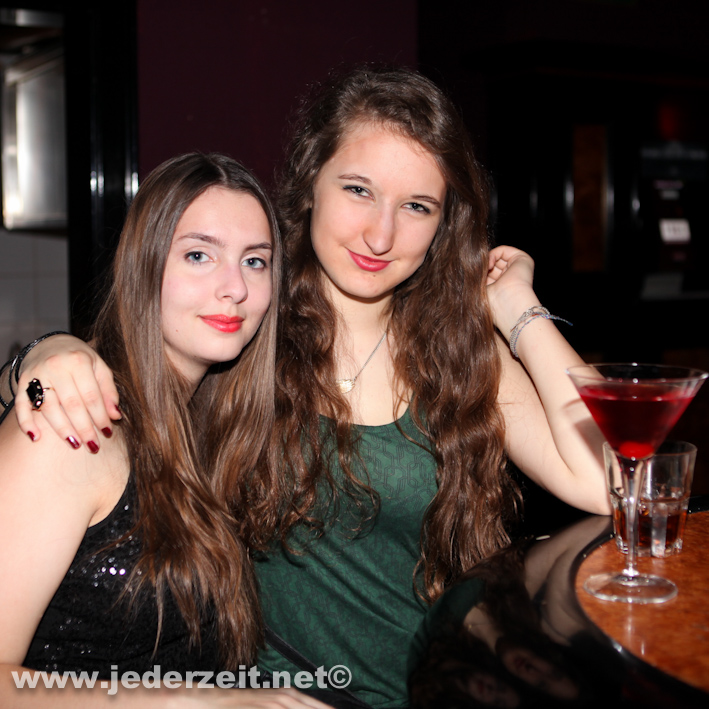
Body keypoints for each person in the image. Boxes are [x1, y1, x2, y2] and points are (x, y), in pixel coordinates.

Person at [8, 67, 610, 708]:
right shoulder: (246, 326)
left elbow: (613, 478)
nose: (381, 235)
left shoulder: (457, 354)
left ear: (444, 223)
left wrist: (518, 309)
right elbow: (121, 375)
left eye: (416, 207)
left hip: (437, 688)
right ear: (310, 183)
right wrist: (41, 357)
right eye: (358, 190)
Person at [0, 152, 330, 708]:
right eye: (199, 255)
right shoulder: (75, 428)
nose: (234, 288)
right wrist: (189, 701)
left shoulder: (216, 427)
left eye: (255, 261)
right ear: (144, 267)